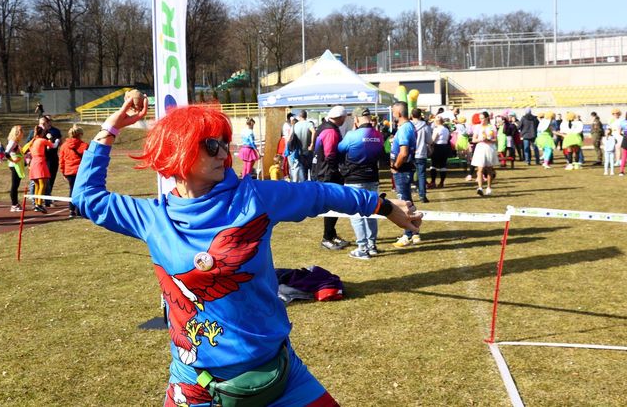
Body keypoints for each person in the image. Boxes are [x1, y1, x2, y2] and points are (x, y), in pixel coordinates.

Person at [72, 99, 422, 406]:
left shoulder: (254, 198)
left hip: (279, 374)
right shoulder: (152, 219)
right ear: (179, 149)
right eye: (211, 145)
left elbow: (321, 194)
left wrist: (385, 206)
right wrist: (112, 126)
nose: (225, 153)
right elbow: (87, 198)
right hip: (197, 385)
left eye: (226, 143)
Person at [337, 107, 384, 259]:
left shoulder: (352, 135)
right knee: (371, 211)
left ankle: (362, 248)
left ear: (356, 120)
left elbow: (340, 149)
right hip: (372, 177)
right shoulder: (378, 135)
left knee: (357, 213)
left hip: (354, 178)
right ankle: (372, 245)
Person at [314, 105, 350, 250]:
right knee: (332, 206)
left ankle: (331, 234)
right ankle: (327, 238)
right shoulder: (330, 131)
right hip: (328, 173)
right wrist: (338, 170)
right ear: (341, 118)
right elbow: (329, 155)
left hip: (323, 171)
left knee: (334, 205)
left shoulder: (324, 127)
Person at [390, 101, 420, 247]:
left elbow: (403, 152)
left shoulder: (404, 129)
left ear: (399, 113)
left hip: (402, 169)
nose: (393, 114)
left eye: (394, 111)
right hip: (405, 168)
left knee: (404, 203)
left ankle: (407, 234)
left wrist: (395, 166)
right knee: (407, 200)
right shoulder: (407, 127)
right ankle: (415, 232)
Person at [27, 125, 60, 213]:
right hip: (40, 162)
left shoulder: (32, 141)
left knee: (37, 184)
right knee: (42, 184)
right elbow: (53, 146)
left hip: (34, 162)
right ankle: (39, 204)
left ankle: (37, 203)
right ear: (42, 133)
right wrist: (54, 139)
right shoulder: (42, 140)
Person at [58, 125, 88, 218]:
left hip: (69, 171)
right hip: (80, 171)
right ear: (80, 134)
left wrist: (63, 172)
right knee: (81, 191)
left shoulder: (64, 146)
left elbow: (61, 160)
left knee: (72, 190)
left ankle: (71, 210)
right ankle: (79, 210)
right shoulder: (84, 145)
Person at [471, 111, 499, 196]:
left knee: (489, 169)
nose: (481, 120)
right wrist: (480, 140)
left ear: (487, 118)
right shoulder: (477, 127)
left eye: (482, 118)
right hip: (480, 148)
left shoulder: (492, 127)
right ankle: (480, 188)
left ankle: (489, 187)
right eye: (480, 118)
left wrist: (489, 140)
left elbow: (495, 140)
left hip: (489, 148)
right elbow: (473, 139)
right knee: (480, 169)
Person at [411, 108, 431, 202]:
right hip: (421, 153)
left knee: (409, 174)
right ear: (420, 116)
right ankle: (422, 196)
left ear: (412, 115)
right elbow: (429, 141)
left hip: (409, 153)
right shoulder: (425, 126)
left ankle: (408, 194)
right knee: (421, 175)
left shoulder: (408, 125)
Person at [290, 110, 316, 181]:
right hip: (309, 150)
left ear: (299, 116)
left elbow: (290, 137)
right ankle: (313, 187)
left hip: (299, 152)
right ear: (306, 116)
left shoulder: (295, 125)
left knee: (303, 173)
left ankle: (305, 187)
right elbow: (314, 131)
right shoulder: (309, 124)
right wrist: (312, 144)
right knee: (312, 171)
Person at [4, 125, 25, 211]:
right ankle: (14, 205)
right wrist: (13, 160)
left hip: (16, 165)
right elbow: (6, 153)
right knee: (14, 185)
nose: (22, 134)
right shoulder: (12, 142)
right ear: (17, 133)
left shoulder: (15, 142)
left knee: (16, 185)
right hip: (14, 166)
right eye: (21, 132)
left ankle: (16, 203)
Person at [43, 115, 62, 206]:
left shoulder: (56, 131)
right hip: (44, 157)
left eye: (49, 120)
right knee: (45, 178)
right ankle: (45, 198)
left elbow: (60, 142)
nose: (48, 122)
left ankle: (48, 196)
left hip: (53, 156)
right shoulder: (40, 131)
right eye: (46, 120)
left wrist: (58, 141)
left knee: (52, 177)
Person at [429, 116, 450, 189]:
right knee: (443, 165)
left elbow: (433, 140)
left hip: (437, 147)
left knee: (433, 165)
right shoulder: (446, 129)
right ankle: (441, 182)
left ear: (436, 122)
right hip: (445, 147)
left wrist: (430, 145)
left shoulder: (437, 129)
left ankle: (433, 182)